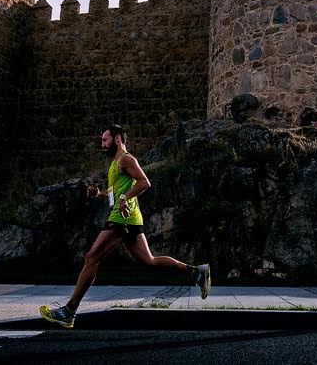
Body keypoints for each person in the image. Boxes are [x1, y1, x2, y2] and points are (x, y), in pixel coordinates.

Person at [39, 124, 211, 328]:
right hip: (129, 219)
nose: (102, 144)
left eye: (105, 140)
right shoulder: (114, 165)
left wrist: (124, 198)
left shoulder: (127, 159)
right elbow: (114, 191)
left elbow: (144, 182)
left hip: (122, 218)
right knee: (150, 261)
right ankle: (197, 271)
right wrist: (99, 194)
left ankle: (69, 311)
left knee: (91, 257)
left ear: (117, 139)